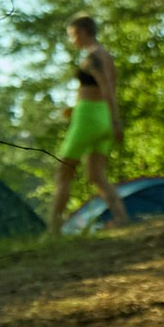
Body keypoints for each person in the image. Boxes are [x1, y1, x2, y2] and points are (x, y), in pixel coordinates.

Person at [47, 14, 130, 231]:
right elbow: (106, 90)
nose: (72, 40)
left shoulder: (94, 57)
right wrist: (111, 121)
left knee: (64, 171)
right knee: (96, 175)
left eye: (73, 35)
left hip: (89, 117)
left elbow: (108, 89)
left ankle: (52, 229)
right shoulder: (107, 56)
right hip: (99, 115)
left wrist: (116, 122)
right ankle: (121, 218)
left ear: (83, 32)